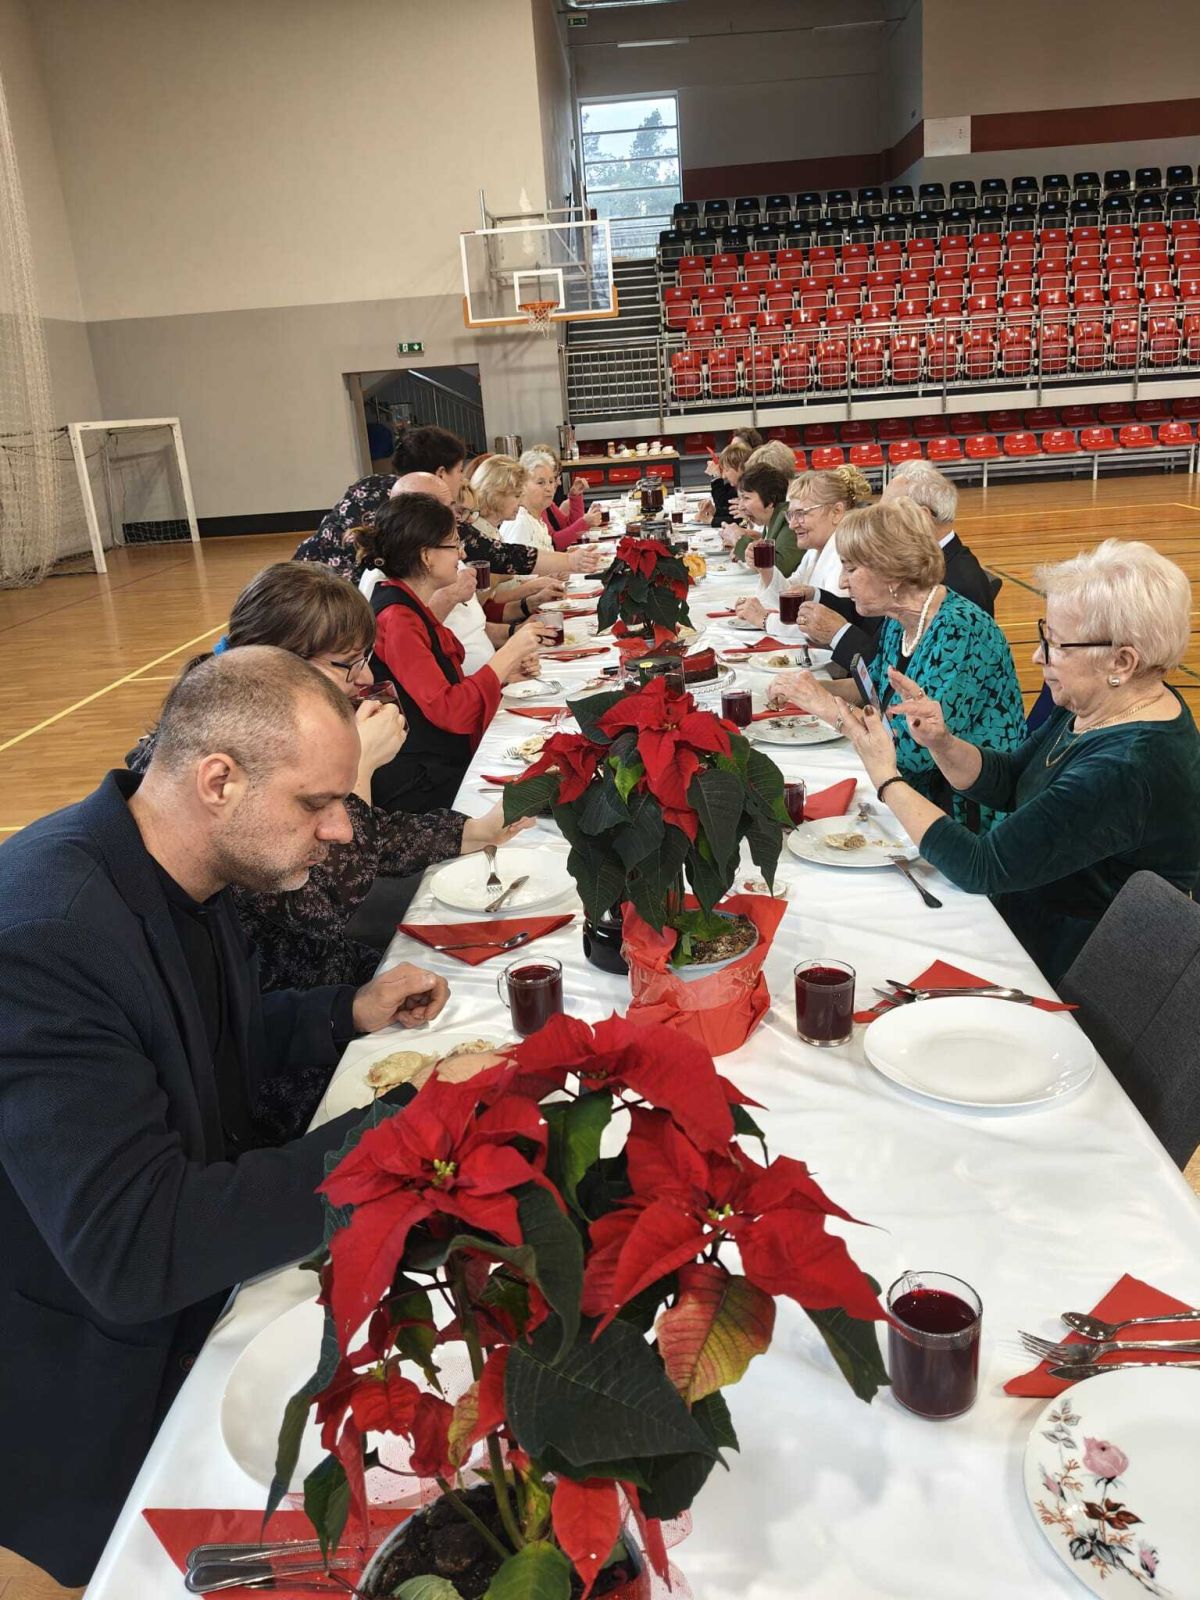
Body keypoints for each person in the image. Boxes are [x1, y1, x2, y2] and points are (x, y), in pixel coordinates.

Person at [0, 648, 470, 1586]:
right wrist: (416, 1124)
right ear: (218, 780)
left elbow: (202, 1042)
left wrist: (343, 1013)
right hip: (106, 1372)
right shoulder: (49, 935)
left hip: (192, 1288)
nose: (342, 828)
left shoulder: (184, 865)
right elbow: (138, 1247)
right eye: (317, 803)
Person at [128, 564, 532, 990]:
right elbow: (324, 905)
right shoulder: (232, 751)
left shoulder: (267, 723)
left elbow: (360, 835)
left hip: (326, 975)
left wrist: (472, 831)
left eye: (365, 660)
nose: (367, 679)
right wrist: (358, 769)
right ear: (281, 660)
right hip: (291, 995)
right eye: (349, 664)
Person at [837, 540, 1200, 985]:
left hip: (1078, 970)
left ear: (1121, 662)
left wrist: (886, 777)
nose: (1037, 656)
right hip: (1033, 924)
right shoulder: (1105, 702)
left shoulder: (1126, 767)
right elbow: (1011, 780)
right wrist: (942, 742)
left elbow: (981, 866)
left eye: (1056, 644)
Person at [777, 499, 1025, 826]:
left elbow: (912, 750)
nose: (841, 583)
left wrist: (824, 706)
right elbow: (874, 689)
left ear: (890, 572)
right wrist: (806, 689)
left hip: (963, 813)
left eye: (851, 569)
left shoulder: (959, 631)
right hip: (910, 791)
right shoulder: (899, 620)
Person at [363, 492, 548, 810]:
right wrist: (507, 655)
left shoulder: (407, 602)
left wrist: (504, 674)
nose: (461, 553)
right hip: (421, 783)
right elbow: (450, 710)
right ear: (426, 556)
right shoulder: (397, 618)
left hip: (437, 761)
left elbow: (439, 686)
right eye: (453, 544)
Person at [734, 465, 872, 632]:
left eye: (801, 514)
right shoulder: (814, 550)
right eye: (791, 515)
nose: (792, 525)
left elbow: (826, 626)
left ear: (836, 512)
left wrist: (764, 619)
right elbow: (791, 596)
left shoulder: (844, 557)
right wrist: (766, 569)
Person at [882, 460, 995, 617]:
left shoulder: (961, 585)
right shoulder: (920, 561)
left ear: (922, 516)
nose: (880, 524)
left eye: (888, 514)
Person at [470, 454, 599, 582]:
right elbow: (515, 576)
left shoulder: (535, 519)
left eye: (551, 481)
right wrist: (566, 562)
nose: (549, 488)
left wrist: (562, 563)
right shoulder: (518, 522)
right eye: (541, 483)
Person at [730, 462, 798, 574]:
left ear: (770, 500)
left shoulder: (788, 520)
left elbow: (780, 567)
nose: (741, 506)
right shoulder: (770, 521)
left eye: (746, 498)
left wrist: (738, 539)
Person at [528, 444, 603, 544]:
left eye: (551, 480)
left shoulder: (548, 505)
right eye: (554, 478)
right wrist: (585, 522)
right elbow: (554, 543)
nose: (559, 483)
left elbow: (568, 526)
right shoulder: (533, 508)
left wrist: (575, 496)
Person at [702, 427, 762, 527]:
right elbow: (731, 508)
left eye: (736, 447)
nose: (732, 451)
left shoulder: (755, 484)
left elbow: (726, 505)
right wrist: (715, 511)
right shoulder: (741, 482)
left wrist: (713, 520)